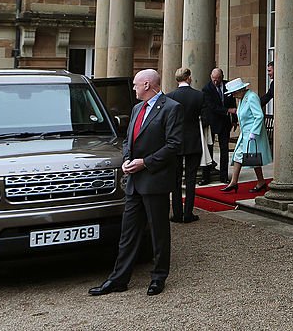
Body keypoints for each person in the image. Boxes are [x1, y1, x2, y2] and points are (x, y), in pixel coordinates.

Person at [89, 69, 181, 297]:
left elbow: (174, 145)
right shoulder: (137, 108)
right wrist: (127, 160)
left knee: (158, 233)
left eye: (136, 84)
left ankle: (158, 277)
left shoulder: (171, 108)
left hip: (155, 181)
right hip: (134, 181)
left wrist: (145, 163)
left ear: (148, 84)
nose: (133, 88)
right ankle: (119, 279)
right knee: (128, 233)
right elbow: (128, 139)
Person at [164, 67, 203, 223]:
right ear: (188, 78)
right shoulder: (199, 95)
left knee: (176, 179)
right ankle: (188, 213)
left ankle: (177, 213)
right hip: (193, 140)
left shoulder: (170, 96)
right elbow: (204, 118)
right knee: (191, 179)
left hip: (175, 141)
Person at [221, 78, 272, 193]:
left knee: (252, 157)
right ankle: (234, 182)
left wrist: (254, 132)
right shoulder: (242, 98)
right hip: (245, 133)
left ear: (240, 90)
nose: (233, 95)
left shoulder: (252, 97)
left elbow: (259, 116)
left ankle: (260, 181)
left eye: (233, 93)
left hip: (252, 133)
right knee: (240, 155)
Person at [200, 67, 232, 184]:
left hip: (224, 123)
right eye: (213, 79)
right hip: (211, 122)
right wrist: (228, 110)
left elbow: (232, 102)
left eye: (218, 79)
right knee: (208, 150)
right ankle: (206, 177)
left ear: (222, 77)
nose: (215, 81)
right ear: (210, 77)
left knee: (224, 150)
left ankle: (224, 176)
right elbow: (211, 106)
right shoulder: (206, 89)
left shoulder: (228, 85)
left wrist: (234, 119)